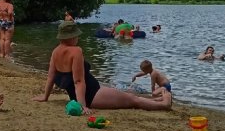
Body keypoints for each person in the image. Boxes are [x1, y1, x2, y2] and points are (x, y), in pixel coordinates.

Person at [32, 21, 171, 113]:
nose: (78, 38)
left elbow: (51, 77)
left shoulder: (55, 52)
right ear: (72, 37)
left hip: (79, 96)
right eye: (77, 36)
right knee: (133, 100)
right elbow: (78, 81)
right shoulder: (76, 51)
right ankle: (164, 105)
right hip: (93, 95)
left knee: (129, 96)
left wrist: (45, 97)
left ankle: (156, 100)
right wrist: (83, 106)